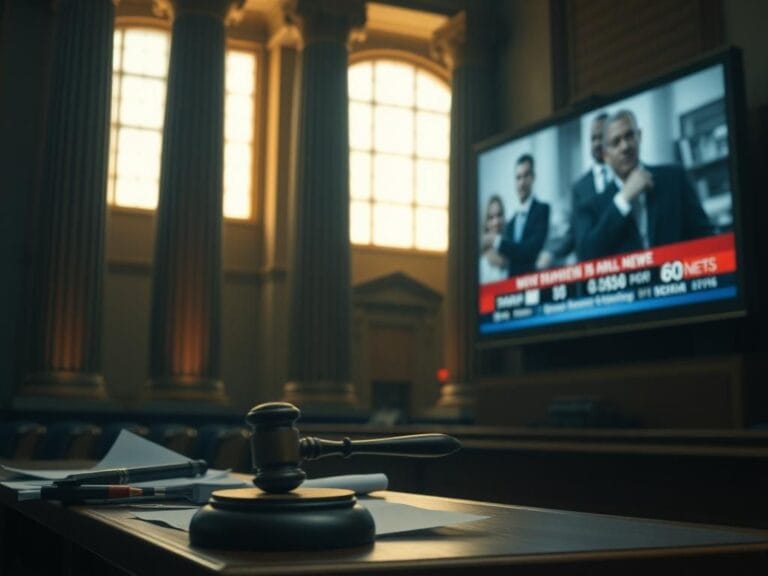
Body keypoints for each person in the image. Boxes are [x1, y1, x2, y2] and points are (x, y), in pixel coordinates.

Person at [574, 109, 713, 260]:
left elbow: (706, 237)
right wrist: (623, 199)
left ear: (639, 136)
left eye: (629, 136)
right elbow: (587, 256)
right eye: (616, 142)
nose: (625, 146)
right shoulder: (592, 206)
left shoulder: (674, 178)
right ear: (605, 155)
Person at [538, 112, 612, 268]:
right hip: (591, 270)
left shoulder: (624, 175)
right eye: (593, 138)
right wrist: (552, 253)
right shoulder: (579, 187)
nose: (597, 143)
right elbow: (575, 233)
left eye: (601, 137)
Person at [482, 154, 550, 278]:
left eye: (526, 176)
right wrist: (489, 253)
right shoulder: (511, 223)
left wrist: (495, 241)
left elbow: (531, 251)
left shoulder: (543, 210)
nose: (521, 183)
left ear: (533, 177)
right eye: (518, 178)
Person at [479, 195, 509, 283]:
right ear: (485, 223)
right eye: (491, 218)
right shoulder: (481, 262)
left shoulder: (515, 251)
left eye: (499, 215)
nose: (496, 222)